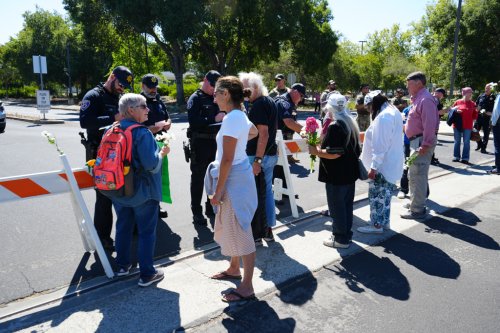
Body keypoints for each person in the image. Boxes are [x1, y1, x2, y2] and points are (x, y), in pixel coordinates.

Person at [205, 76, 259, 302]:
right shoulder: (239, 116)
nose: (214, 97)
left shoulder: (232, 118)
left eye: (216, 93)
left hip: (234, 177)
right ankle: (234, 268)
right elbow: (254, 131)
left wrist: (217, 192)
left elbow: (227, 159)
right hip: (239, 174)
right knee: (233, 224)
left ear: (226, 93)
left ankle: (247, 286)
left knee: (241, 229)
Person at [112, 93, 170, 287]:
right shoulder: (142, 132)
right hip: (142, 191)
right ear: (131, 110)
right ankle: (147, 273)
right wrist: (162, 152)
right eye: (143, 106)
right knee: (146, 232)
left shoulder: (111, 130)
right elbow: (152, 165)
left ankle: (122, 266)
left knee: (123, 227)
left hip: (118, 189)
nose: (148, 109)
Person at [79, 65, 133, 251]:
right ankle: (102, 239)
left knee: (121, 193)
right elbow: (85, 121)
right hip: (99, 154)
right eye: (120, 84)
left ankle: (124, 233)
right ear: (112, 77)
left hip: (117, 152)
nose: (122, 89)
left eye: (124, 87)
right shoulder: (93, 95)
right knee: (104, 198)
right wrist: (112, 117)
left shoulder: (117, 97)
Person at [308, 93, 360, 248]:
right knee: (346, 206)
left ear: (329, 107)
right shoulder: (350, 122)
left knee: (337, 207)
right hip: (349, 172)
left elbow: (334, 153)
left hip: (337, 174)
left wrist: (315, 151)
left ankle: (340, 238)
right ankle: (346, 235)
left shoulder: (336, 125)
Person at [239, 72, 279, 243]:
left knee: (255, 195)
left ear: (255, 88)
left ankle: (259, 231)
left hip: (259, 156)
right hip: (268, 154)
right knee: (266, 192)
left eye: (245, 88)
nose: (243, 92)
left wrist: (257, 160)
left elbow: (263, 134)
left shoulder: (259, 105)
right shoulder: (268, 101)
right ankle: (267, 229)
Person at [357, 91, 404, 233]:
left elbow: (380, 146)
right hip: (390, 163)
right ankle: (384, 222)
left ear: (373, 103)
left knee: (377, 195)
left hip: (382, 165)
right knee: (385, 195)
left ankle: (376, 225)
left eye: (368, 107)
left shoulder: (383, 117)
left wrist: (373, 167)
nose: (369, 110)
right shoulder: (392, 111)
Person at [187, 70, 224, 226]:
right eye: (211, 85)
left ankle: (210, 206)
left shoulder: (216, 97)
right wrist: (212, 119)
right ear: (204, 80)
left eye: (215, 87)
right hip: (200, 145)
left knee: (214, 178)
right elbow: (194, 121)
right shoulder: (195, 98)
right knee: (198, 180)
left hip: (214, 144)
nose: (212, 89)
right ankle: (196, 211)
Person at [401, 71, 439, 220]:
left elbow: (430, 125)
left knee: (419, 175)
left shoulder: (425, 100)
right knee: (414, 174)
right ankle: (414, 203)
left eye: (409, 84)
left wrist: (425, 144)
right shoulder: (419, 98)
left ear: (418, 83)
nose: (407, 87)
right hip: (416, 141)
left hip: (421, 142)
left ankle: (417, 209)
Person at [141, 74, 171, 219]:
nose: (153, 90)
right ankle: (146, 208)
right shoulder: (139, 102)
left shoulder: (158, 101)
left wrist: (168, 123)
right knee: (147, 176)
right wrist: (152, 129)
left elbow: (167, 115)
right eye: (150, 87)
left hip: (160, 143)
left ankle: (156, 207)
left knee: (159, 176)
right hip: (145, 144)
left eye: (155, 87)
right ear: (143, 86)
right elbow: (138, 125)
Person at [451, 87, 477, 164]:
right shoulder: (457, 102)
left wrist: (473, 121)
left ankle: (465, 158)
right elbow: (451, 111)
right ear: (465, 93)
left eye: (471, 93)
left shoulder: (472, 103)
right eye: (469, 93)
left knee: (466, 142)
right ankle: (456, 157)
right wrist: (456, 111)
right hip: (457, 125)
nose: (471, 94)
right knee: (457, 141)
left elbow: (475, 115)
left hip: (468, 125)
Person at [475, 83, 496, 153]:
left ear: (491, 89)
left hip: (487, 118)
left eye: (488, 88)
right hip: (479, 117)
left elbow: (495, 108)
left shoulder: (493, 97)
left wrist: (490, 113)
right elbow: (476, 105)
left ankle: (483, 148)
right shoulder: (481, 96)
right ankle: (479, 144)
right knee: (474, 131)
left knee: (486, 134)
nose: (487, 89)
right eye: (486, 88)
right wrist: (477, 109)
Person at [430, 87, 448, 165]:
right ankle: (430, 158)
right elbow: (434, 112)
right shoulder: (434, 99)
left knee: (433, 141)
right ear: (439, 93)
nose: (442, 96)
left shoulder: (435, 99)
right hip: (432, 123)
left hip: (434, 122)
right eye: (443, 95)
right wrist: (445, 110)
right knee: (432, 141)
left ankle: (431, 157)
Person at [490, 83, 500, 174]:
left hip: (498, 124)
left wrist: (493, 122)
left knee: (498, 146)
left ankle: (498, 168)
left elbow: (497, 111)